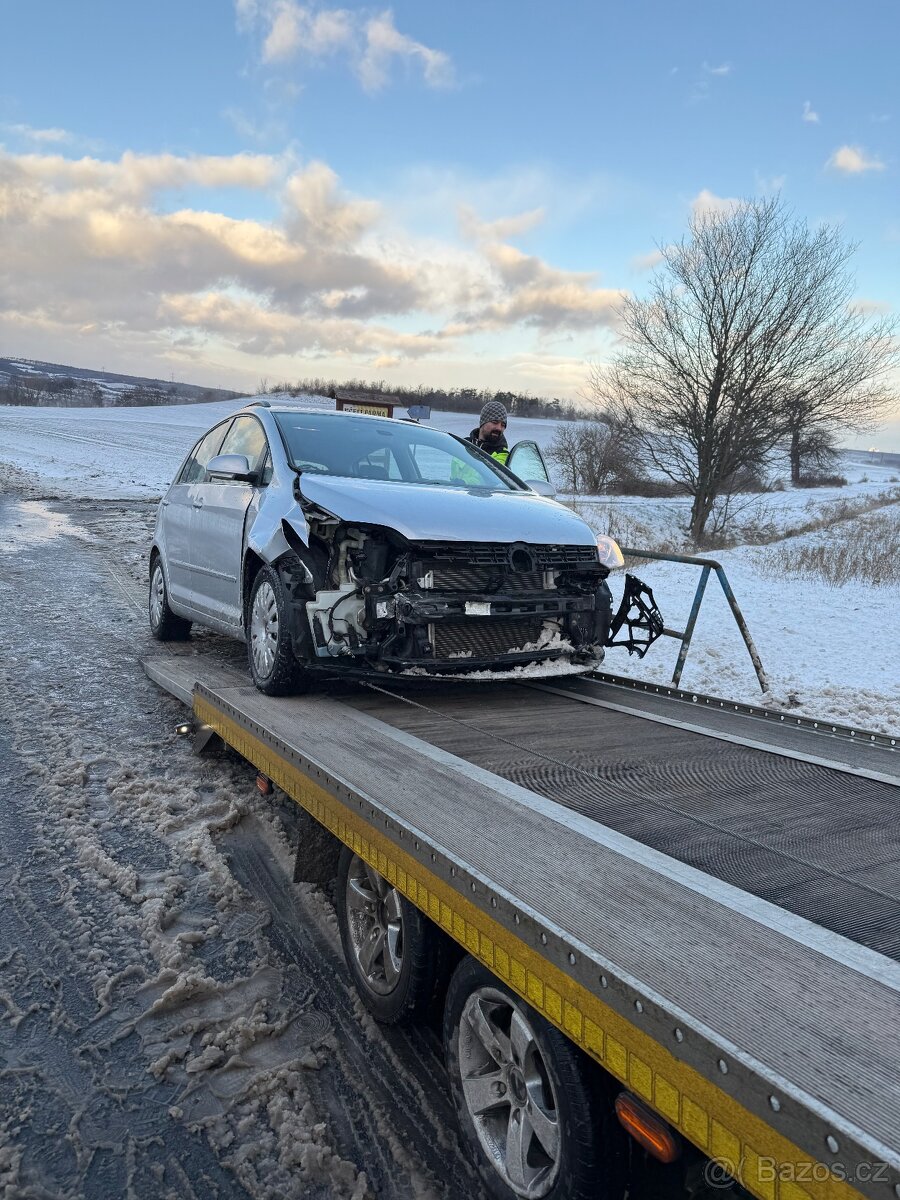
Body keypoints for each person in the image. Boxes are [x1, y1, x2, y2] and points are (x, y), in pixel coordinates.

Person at [466, 400, 510, 466]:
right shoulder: (464, 445)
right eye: (495, 422)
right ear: (483, 422)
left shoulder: (503, 455)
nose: (499, 428)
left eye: (503, 425)